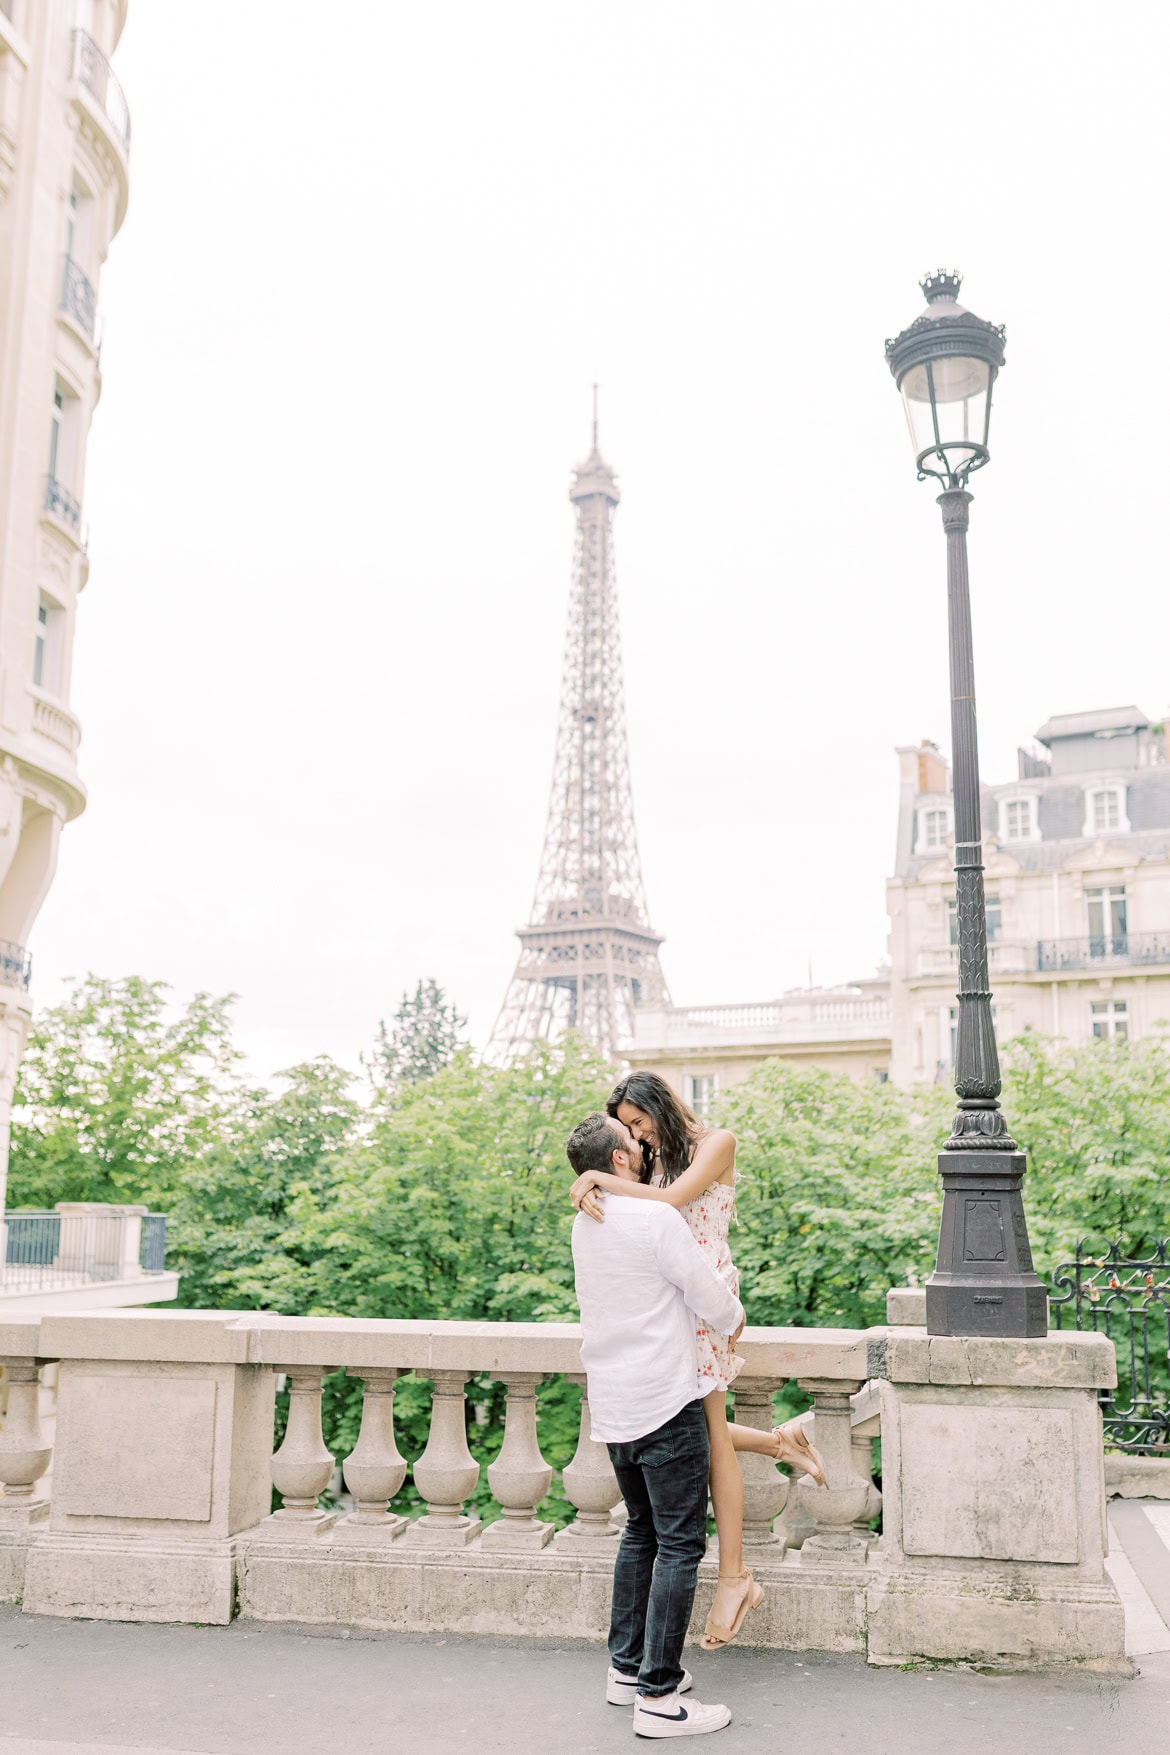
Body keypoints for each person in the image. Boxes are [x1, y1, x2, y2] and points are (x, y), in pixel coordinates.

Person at [569, 1071, 825, 1652]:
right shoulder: (654, 1165)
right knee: (692, 1429)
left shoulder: (717, 1144)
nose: (639, 1136)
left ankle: (734, 1577)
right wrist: (597, 1184)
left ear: (660, 1104)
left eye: (639, 1122)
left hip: (707, 1297)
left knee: (703, 1432)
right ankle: (778, 1448)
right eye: (629, 1131)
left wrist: (595, 1180)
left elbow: (671, 1205)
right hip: (675, 1301)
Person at [568, 1110, 742, 1739]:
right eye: (633, 1146)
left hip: (614, 1406)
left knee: (640, 1533)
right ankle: (659, 1697)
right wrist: (735, 1308)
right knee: (678, 1544)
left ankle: (625, 1671)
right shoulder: (657, 1217)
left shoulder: (583, 1225)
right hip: (667, 1400)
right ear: (618, 1160)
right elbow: (712, 1300)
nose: (643, 1150)